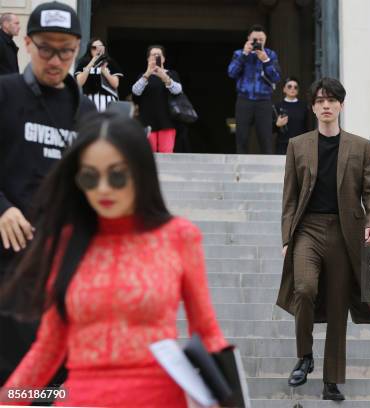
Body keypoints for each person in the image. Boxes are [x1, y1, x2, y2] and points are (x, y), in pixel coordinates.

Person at [1, 113, 228, 407]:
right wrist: (8, 399)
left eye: (117, 175)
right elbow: (49, 346)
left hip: (159, 398)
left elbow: (207, 332)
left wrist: (228, 396)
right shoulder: (66, 242)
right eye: (90, 177)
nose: (103, 188)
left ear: (141, 173)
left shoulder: (179, 237)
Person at [0, 1, 96, 386]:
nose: (56, 60)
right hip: (10, 263)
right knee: (13, 380)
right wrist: (2, 208)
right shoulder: (5, 95)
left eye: (66, 51)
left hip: (64, 265)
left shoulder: (85, 111)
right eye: (46, 48)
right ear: (26, 42)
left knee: (54, 383)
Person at [276, 78, 370, 401]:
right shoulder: (297, 145)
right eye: (320, 100)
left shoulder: (360, 145)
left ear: (341, 105)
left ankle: (331, 381)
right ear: (312, 107)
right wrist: (286, 238)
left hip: (344, 233)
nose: (326, 105)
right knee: (304, 288)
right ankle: (304, 355)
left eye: (332, 100)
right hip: (307, 229)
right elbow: (290, 197)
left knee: (338, 308)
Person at [228, 24, 281, 154]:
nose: (258, 43)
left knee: (265, 137)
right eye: (254, 40)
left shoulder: (271, 55)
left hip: (264, 100)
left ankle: (267, 168)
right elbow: (231, 73)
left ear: (265, 40)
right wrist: (244, 55)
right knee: (242, 136)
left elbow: (276, 77)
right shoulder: (239, 53)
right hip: (244, 99)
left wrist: (266, 61)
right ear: (248, 39)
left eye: (261, 40)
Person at [132, 45, 182, 153]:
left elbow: (178, 90)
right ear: (148, 59)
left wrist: (164, 76)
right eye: (152, 55)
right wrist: (147, 74)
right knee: (148, 155)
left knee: (167, 153)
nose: (155, 57)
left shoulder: (172, 74)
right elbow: (135, 92)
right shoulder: (143, 76)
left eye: (158, 55)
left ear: (163, 59)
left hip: (167, 122)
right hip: (146, 123)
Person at [75, 37, 123, 111]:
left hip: (108, 101)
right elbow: (79, 82)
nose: (97, 50)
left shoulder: (110, 63)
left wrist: (104, 70)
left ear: (104, 48)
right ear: (89, 49)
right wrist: (92, 62)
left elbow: (115, 84)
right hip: (88, 100)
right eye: (94, 48)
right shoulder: (83, 63)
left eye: (99, 47)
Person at [273, 77, 310, 155]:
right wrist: (277, 124)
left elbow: (308, 127)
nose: (292, 89)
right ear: (284, 89)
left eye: (295, 87)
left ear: (298, 90)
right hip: (282, 145)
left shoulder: (304, 106)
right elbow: (269, 129)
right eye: (289, 86)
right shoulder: (277, 106)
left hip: (301, 145)